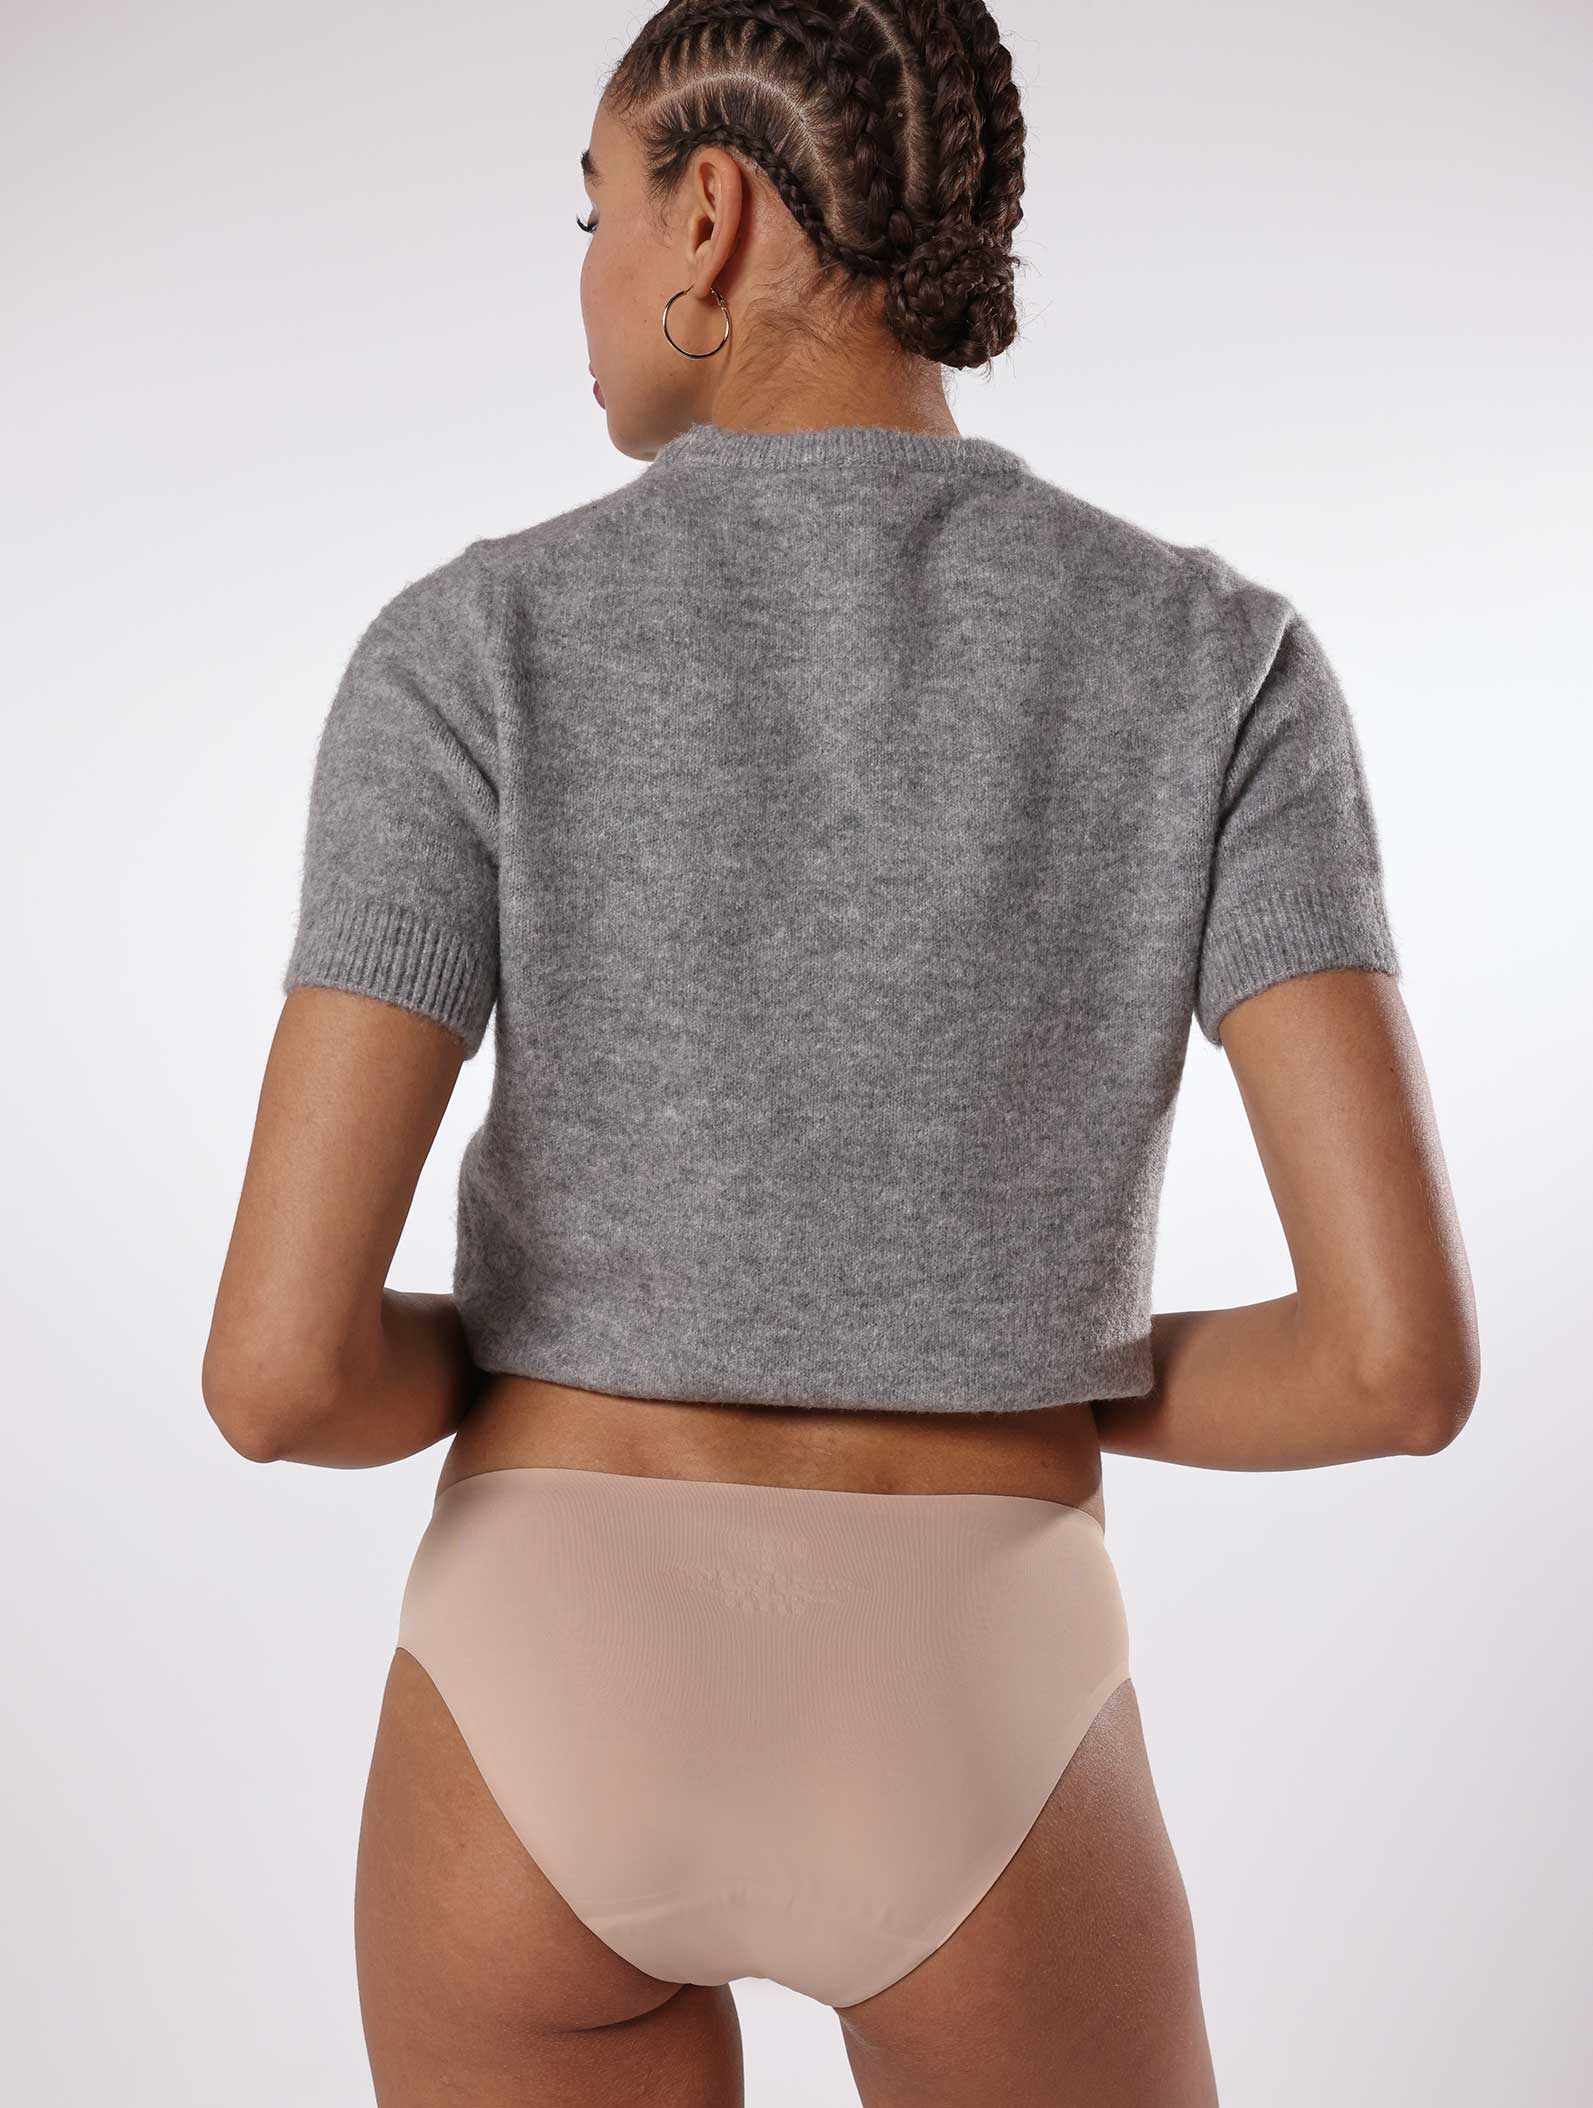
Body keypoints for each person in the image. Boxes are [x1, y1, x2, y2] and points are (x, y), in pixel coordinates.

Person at [203, 4, 1479, 2102]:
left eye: (593, 213)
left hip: (547, 1665)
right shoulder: (1216, 659)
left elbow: (277, 1375)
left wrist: (561, 1350)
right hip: (971, 1680)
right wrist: (984, 1344)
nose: (586, 273)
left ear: (707, 216)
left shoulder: (468, 650)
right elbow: (1389, 1368)